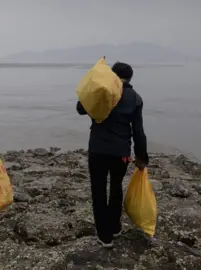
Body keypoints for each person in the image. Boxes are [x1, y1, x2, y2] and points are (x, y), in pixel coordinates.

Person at [76, 62, 149, 248]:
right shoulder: (135, 98)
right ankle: (115, 227)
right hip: (121, 153)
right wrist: (142, 157)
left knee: (98, 190)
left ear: (112, 75)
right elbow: (138, 131)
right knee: (116, 188)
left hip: (98, 150)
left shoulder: (101, 91)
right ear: (130, 79)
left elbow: (80, 108)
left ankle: (105, 236)